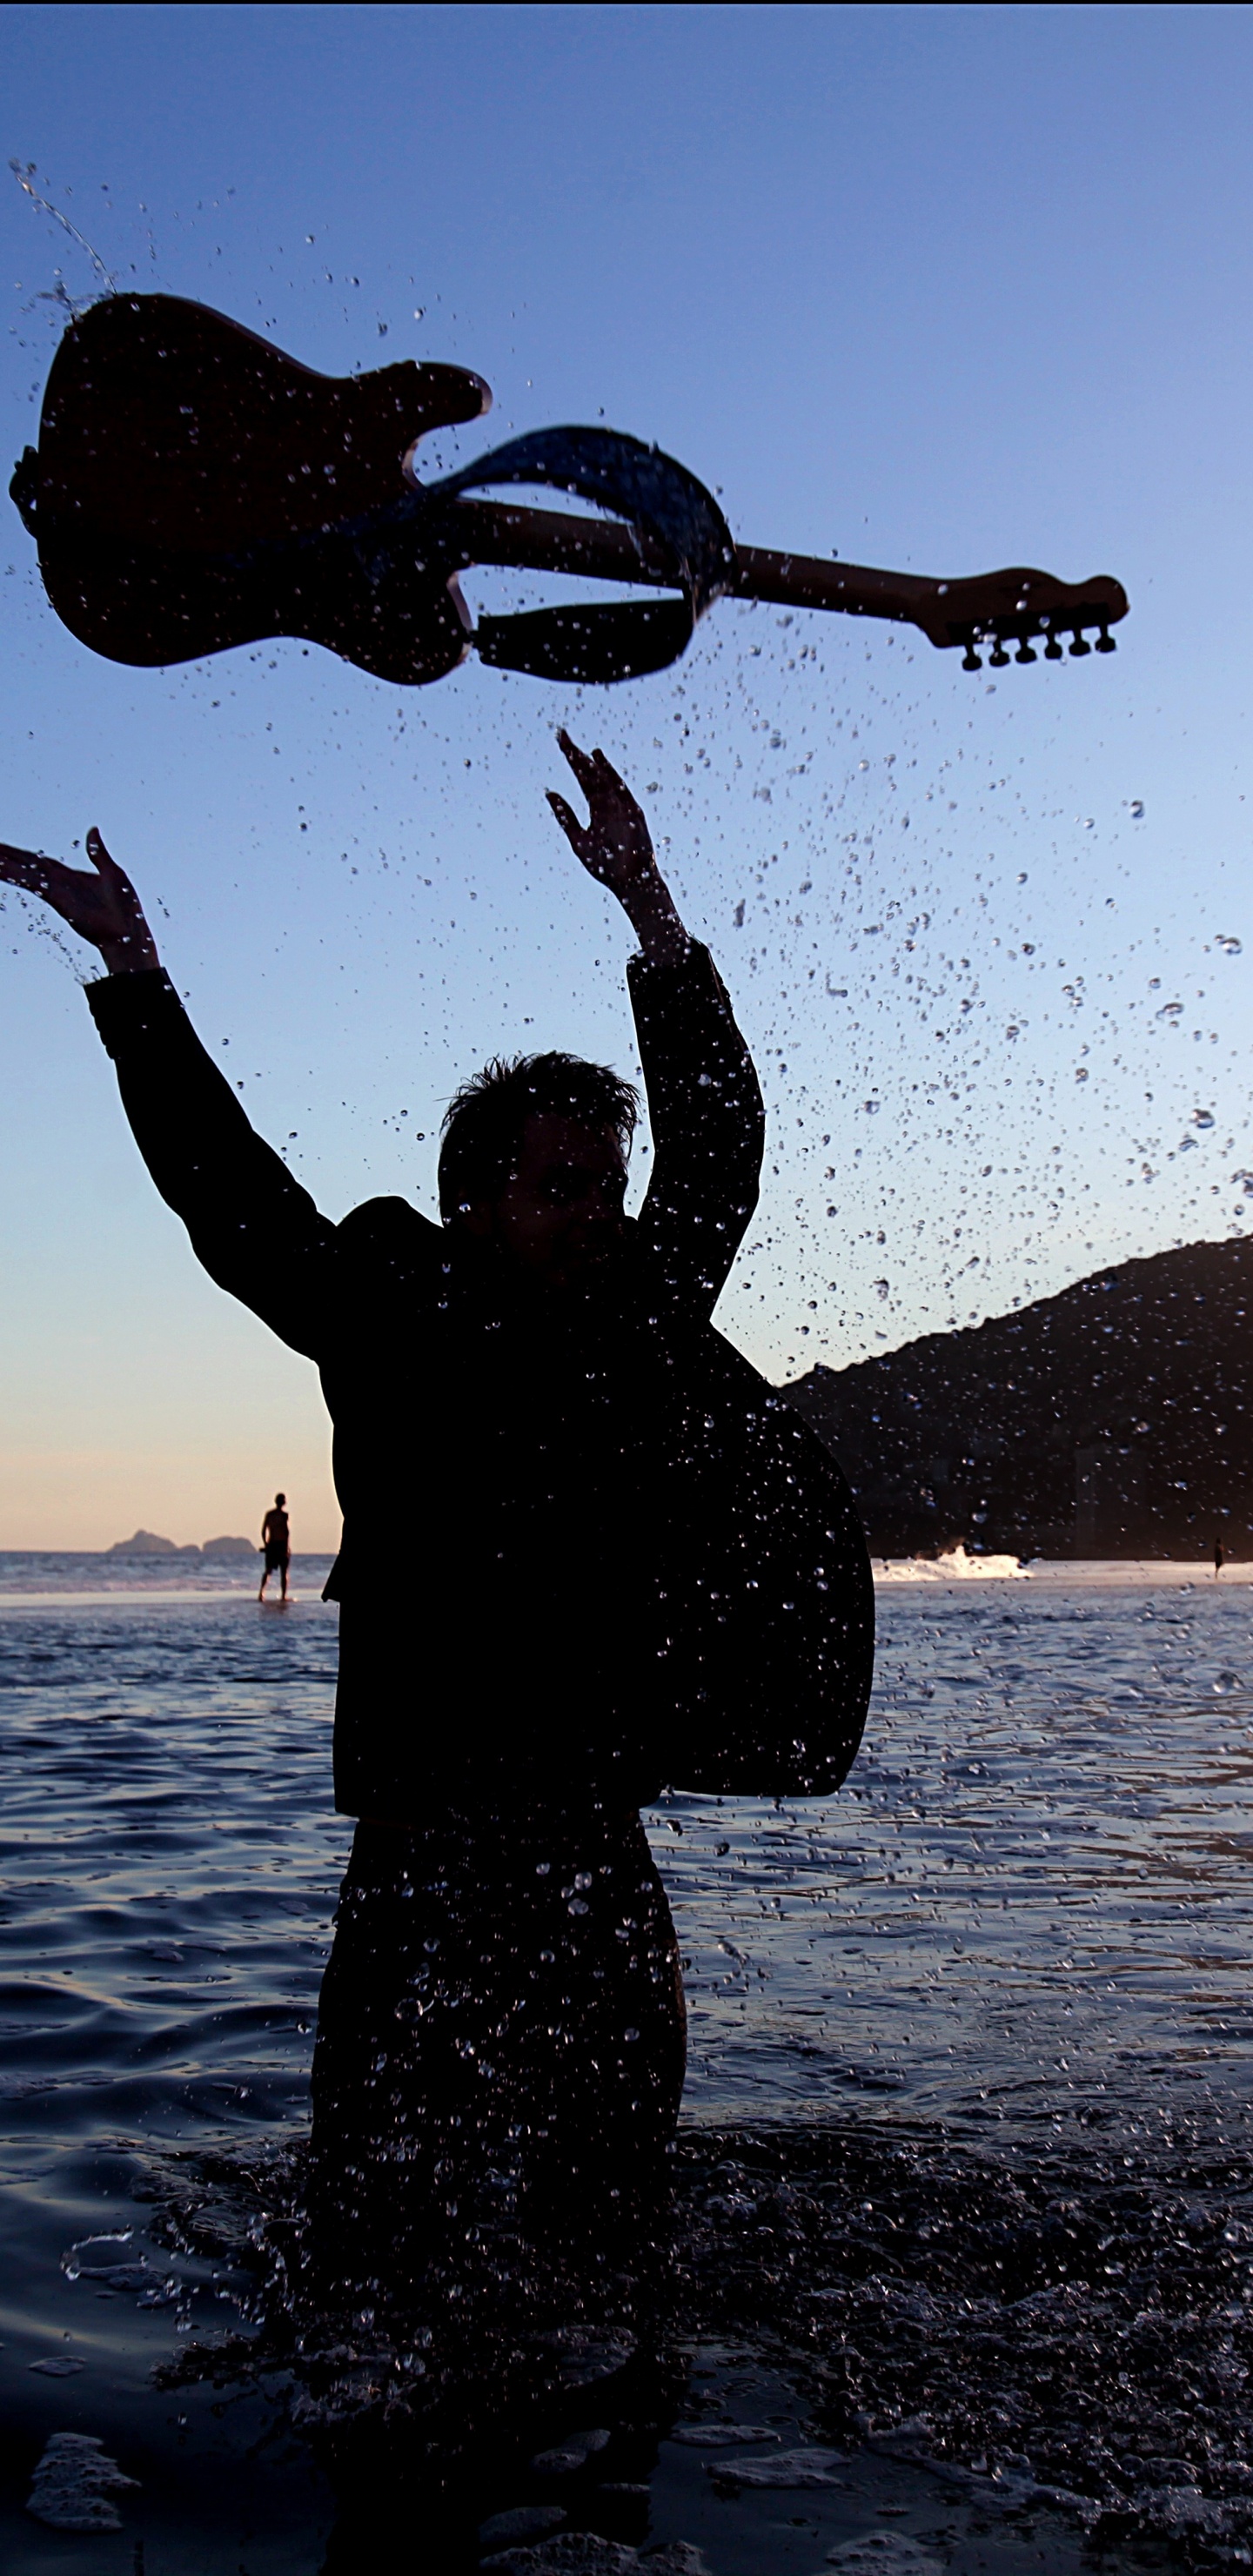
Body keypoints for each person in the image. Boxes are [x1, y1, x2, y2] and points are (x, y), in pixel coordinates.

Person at [0, 734, 872, 2298]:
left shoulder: (638, 1321)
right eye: (561, 1185)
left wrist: (655, 921)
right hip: (415, 1878)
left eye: (605, 1182)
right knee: (371, 2249)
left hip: (597, 1876)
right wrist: (131, 971)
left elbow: (722, 1156)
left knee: (618, 2243)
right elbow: (229, 1191)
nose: (597, 1212)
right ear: (476, 1196)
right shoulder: (387, 1314)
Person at [259, 1492, 291, 1602]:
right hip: (280, 1545)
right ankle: (283, 1596)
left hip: (272, 1544)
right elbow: (286, 1532)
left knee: (269, 1570)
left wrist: (266, 1544)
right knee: (283, 1572)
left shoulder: (270, 1514)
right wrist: (286, 1548)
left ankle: (261, 1593)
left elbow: (263, 1531)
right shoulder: (283, 1515)